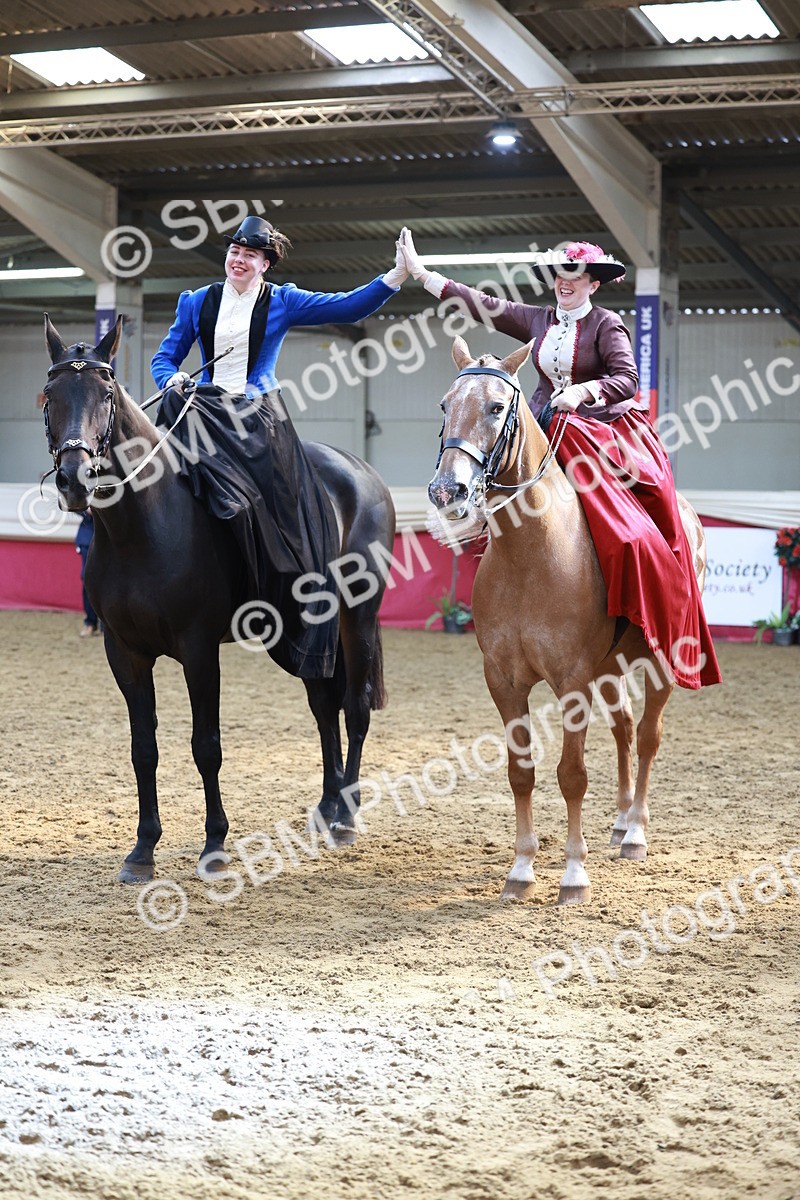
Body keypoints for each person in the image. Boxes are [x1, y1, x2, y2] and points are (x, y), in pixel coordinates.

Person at [400, 227, 721, 690]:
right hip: (545, 424)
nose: (565, 283)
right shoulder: (538, 319)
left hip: (600, 429)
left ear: (593, 283)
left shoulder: (607, 324)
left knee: (633, 530)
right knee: (499, 473)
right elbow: (483, 304)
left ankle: (649, 604)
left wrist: (583, 392)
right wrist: (422, 274)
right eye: (560, 276)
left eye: (575, 276)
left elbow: (627, 379)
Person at [150, 215, 407, 679]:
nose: (238, 260)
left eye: (249, 255)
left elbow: (348, 307)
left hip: (258, 417)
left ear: (265, 263)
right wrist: (172, 379)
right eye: (234, 251)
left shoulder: (283, 301)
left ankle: (292, 580)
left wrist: (395, 276)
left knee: (276, 500)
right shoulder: (196, 301)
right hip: (203, 410)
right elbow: (164, 358)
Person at [75, 509, 99, 637]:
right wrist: (86, 510)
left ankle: (107, 626)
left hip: (112, 536)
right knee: (88, 580)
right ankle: (90, 623)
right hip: (88, 536)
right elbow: (71, 502)